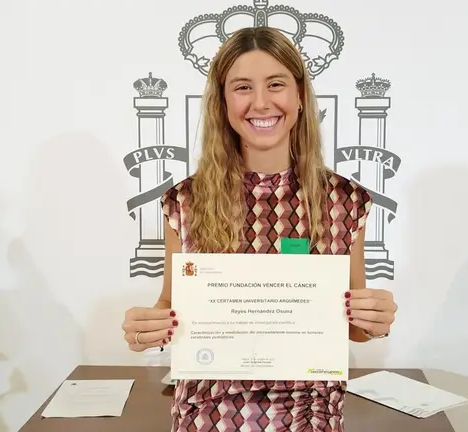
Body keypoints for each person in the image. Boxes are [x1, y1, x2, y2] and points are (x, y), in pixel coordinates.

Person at [121, 26, 398, 431]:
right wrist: (149, 327)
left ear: (300, 96)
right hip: (207, 414)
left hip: (310, 415)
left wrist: (374, 316)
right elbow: (171, 304)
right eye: (242, 87)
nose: (261, 102)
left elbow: (353, 326)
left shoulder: (344, 200)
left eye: (276, 84)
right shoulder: (185, 200)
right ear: (223, 102)